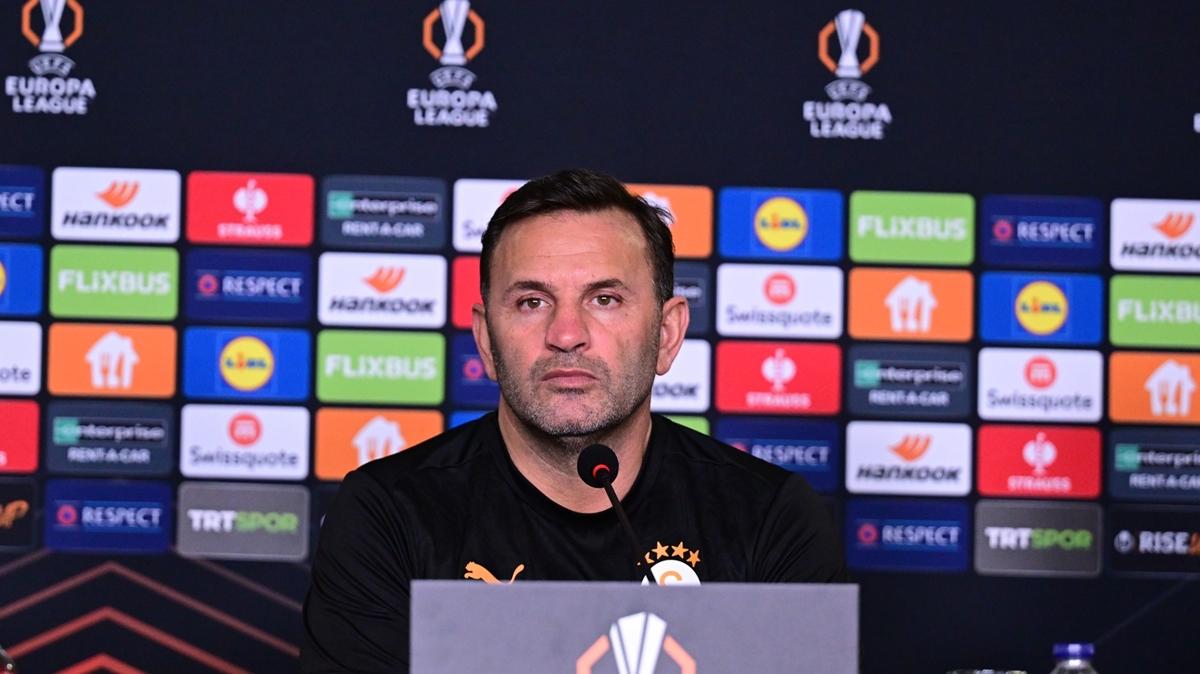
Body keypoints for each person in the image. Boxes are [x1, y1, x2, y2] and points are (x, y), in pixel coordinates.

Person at [300, 168, 845, 672]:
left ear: (667, 334)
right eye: (532, 302)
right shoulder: (387, 515)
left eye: (604, 299)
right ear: (486, 340)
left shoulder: (770, 516)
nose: (566, 334)